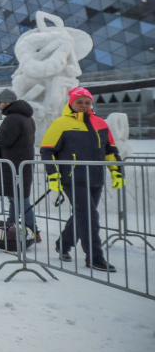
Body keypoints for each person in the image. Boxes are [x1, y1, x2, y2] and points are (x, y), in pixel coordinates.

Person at [41, 87, 123, 272]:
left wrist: (117, 172)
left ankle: (63, 243)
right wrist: (53, 176)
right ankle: (95, 257)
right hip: (72, 178)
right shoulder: (60, 124)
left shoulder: (100, 123)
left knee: (84, 214)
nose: (84, 106)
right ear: (71, 103)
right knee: (89, 216)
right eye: (80, 102)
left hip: (95, 177)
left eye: (87, 102)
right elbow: (47, 150)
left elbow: (110, 151)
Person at [0, 89, 37, 239]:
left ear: (7, 102)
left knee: (20, 198)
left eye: (0, 103)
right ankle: (11, 225)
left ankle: (33, 229)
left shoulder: (13, 119)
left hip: (14, 164)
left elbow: (4, 140)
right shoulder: (27, 118)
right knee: (15, 196)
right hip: (21, 163)